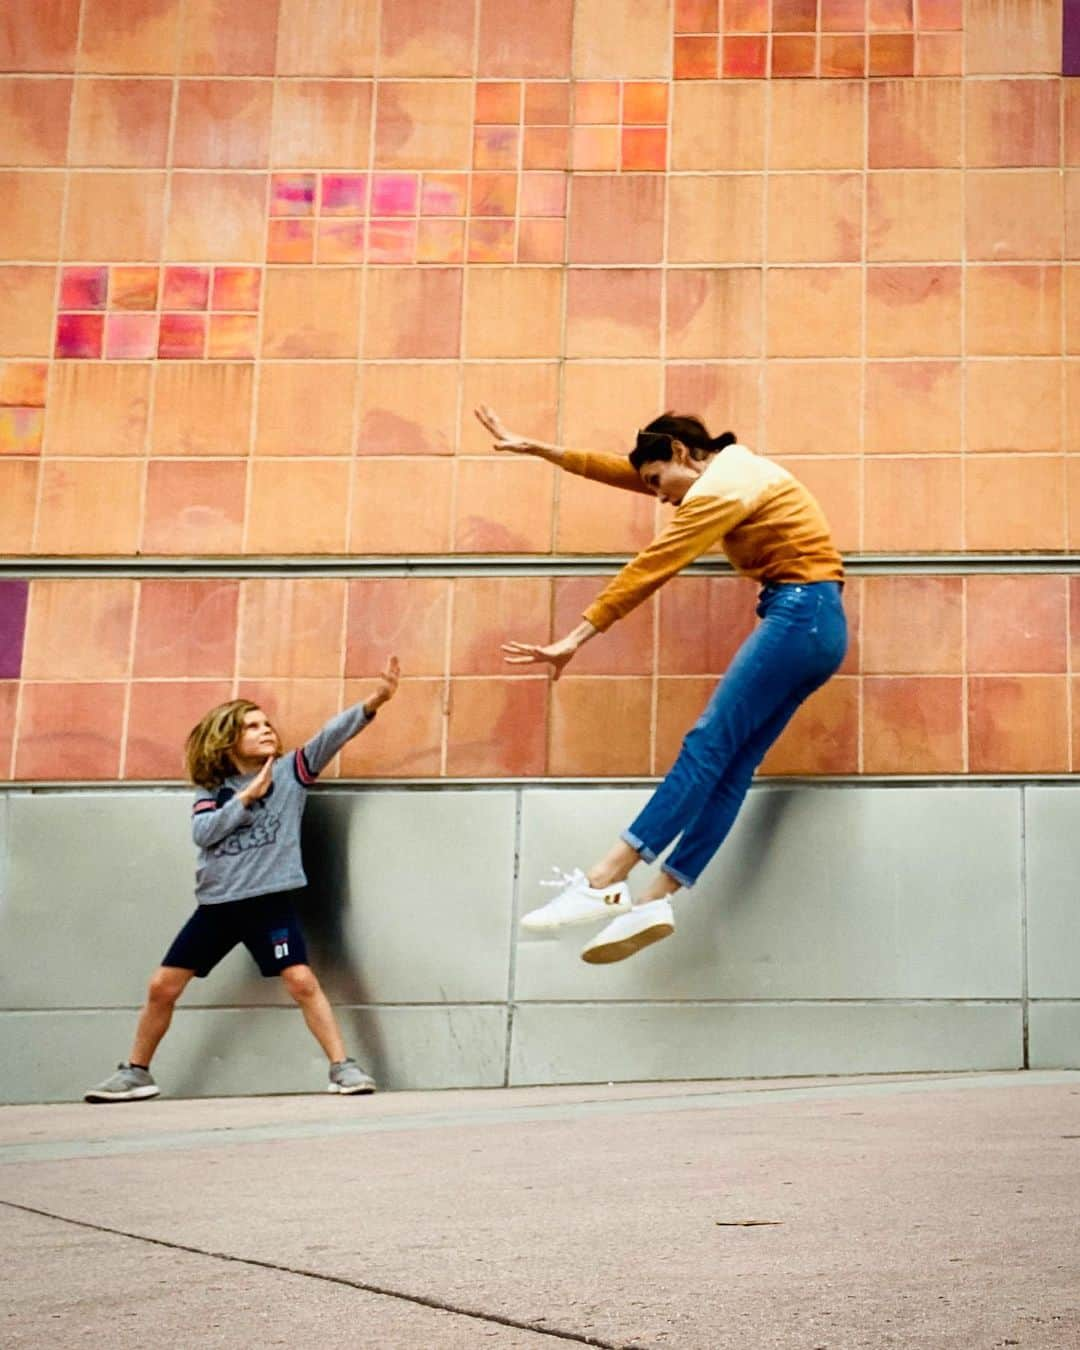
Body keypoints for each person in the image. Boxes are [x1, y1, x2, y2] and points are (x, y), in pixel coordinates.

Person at [475, 404, 846, 965]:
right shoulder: (727, 470)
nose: (658, 498)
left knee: (707, 745)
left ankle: (605, 878)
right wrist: (542, 450)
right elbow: (627, 471)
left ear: (678, 451)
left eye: (656, 484)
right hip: (820, 626)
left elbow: (652, 565)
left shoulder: (720, 490)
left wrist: (578, 635)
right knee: (731, 767)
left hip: (799, 615)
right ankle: (657, 899)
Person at [84, 658, 400, 1102]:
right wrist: (246, 798)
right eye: (253, 726)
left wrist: (375, 701)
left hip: (267, 903)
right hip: (217, 907)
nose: (266, 730)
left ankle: (342, 1067)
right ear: (229, 738)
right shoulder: (212, 790)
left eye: (267, 723)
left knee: (301, 982)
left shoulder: (292, 772)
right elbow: (203, 834)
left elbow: (332, 735)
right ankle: (136, 1073)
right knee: (162, 987)